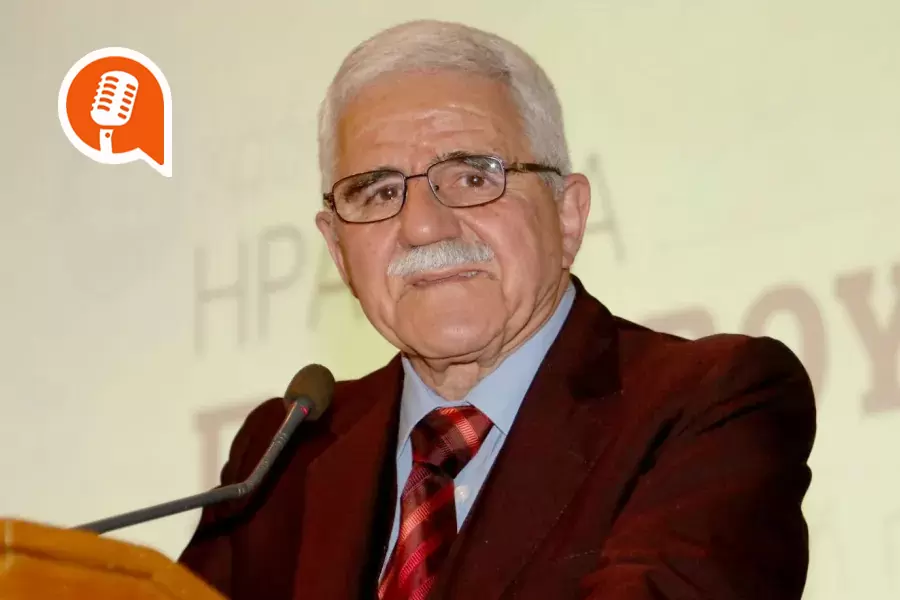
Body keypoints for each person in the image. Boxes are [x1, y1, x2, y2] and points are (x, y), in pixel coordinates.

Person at [179, 19, 816, 600]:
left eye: (473, 177)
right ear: (338, 251)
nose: (423, 227)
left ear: (568, 215)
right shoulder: (281, 455)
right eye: (378, 192)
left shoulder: (710, 403)